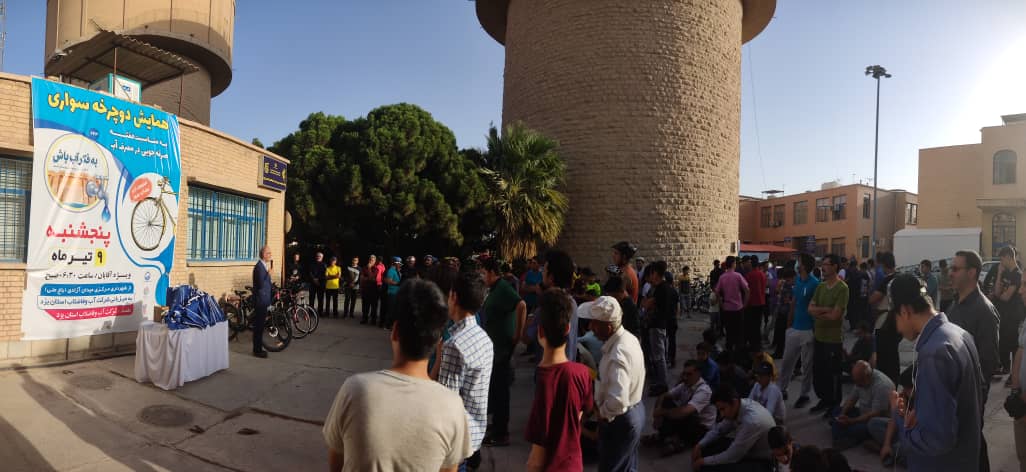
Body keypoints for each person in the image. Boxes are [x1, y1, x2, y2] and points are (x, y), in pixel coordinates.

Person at [322, 279, 471, 472]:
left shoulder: (355, 390)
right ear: (437, 341)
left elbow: (336, 463)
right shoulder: (452, 405)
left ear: (395, 332)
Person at [890, 273, 985, 471]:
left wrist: (899, 418)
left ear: (905, 311)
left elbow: (935, 440)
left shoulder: (934, 353)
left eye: (895, 318)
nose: (897, 329)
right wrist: (924, 413)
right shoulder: (959, 333)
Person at [525, 289, 594, 471]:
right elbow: (582, 412)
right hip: (574, 464)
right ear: (568, 328)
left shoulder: (544, 380)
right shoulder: (582, 373)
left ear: (540, 332)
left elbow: (537, 458)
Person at [434, 271, 493, 471]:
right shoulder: (484, 338)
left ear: (454, 297)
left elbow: (445, 402)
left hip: (454, 443)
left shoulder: (455, 345)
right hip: (473, 434)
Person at [578, 296, 646, 472]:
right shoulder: (628, 339)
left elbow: (618, 401)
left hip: (621, 420)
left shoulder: (618, 354)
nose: (590, 327)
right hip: (634, 410)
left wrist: (603, 414)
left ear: (608, 327)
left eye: (594, 323)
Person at [477, 257, 526, 447]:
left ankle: (501, 432)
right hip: (495, 347)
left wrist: (518, 334)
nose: (482, 276)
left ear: (491, 272)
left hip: (503, 348)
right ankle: (497, 423)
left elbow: (521, 305)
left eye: (483, 273)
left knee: (501, 390)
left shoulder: (503, 287)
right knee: (496, 388)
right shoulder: (494, 289)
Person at [692, 386, 775, 471]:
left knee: (712, 467)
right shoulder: (738, 406)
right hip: (748, 448)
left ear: (734, 402)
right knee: (707, 447)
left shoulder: (751, 421)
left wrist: (703, 462)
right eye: (719, 410)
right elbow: (719, 430)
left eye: (723, 409)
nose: (722, 415)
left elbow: (732, 456)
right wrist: (699, 445)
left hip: (762, 460)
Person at [645, 359, 716, 456]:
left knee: (685, 413)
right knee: (667, 403)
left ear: (698, 374)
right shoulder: (685, 385)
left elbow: (684, 412)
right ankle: (664, 436)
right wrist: (657, 414)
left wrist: (661, 412)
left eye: (689, 374)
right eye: (684, 374)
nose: (685, 377)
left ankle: (680, 442)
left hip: (701, 428)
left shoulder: (704, 391)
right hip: (688, 421)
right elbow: (663, 396)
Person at [808, 254, 848, 416]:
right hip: (819, 336)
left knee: (833, 374)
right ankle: (824, 399)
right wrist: (826, 310)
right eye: (822, 264)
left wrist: (818, 312)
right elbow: (810, 309)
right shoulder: (820, 287)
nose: (822, 267)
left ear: (835, 267)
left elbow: (836, 316)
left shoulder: (842, 288)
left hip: (833, 339)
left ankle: (834, 405)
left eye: (826, 264)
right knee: (819, 372)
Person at [778, 253, 819, 409]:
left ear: (804, 265)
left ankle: (804, 394)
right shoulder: (798, 281)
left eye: (799, 262)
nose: (796, 264)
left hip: (808, 329)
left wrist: (815, 330)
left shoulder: (815, 283)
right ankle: (782, 389)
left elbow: (816, 306)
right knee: (787, 361)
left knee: (807, 365)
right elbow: (794, 304)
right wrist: (789, 326)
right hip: (794, 328)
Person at [829, 360, 894, 450]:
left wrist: (852, 421)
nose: (856, 384)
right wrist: (842, 414)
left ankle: (841, 434)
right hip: (862, 412)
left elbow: (874, 414)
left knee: (866, 427)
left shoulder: (882, 386)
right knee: (837, 410)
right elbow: (852, 399)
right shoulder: (860, 379)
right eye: (855, 381)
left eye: (858, 381)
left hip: (875, 419)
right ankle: (843, 434)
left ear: (867, 377)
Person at [867, 367, 913, 469]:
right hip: (902, 431)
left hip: (913, 437)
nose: (904, 390)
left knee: (902, 449)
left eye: (906, 388)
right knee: (873, 423)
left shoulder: (924, 402)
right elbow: (893, 421)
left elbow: (911, 430)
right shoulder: (906, 395)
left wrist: (895, 409)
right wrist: (886, 444)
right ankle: (888, 449)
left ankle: (887, 451)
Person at [642, 261, 676, 396]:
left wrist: (647, 303)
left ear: (655, 273)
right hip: (659, 325)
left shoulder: (661, 288)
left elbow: (646, 304)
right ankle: (660, 381)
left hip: (657, 325)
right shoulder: (664, 287)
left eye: (651, 273)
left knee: (659, 356)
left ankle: (663, 384)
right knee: (658, 355)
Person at [868, 252, 902, 384]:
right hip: (897, 321)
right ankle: (894, 383)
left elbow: (873, 299)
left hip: (884, 322)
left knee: (883, 358)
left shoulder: (887, 280)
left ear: (883, 264)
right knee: (893, 355)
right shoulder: (899, 277)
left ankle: (885, 385)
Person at [993, 246, 1024, 380]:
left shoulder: (1017, 275)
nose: (1001, 262)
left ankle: (1014, 375)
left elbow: (1006, 297)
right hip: (1004, 315)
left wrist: (1000, 294)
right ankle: (1005, 369)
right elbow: (997, 292)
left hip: (1014, 316)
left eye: (1002, 259)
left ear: (1008, 257)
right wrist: (999, 274)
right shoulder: (1005, 273)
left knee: (1014, 346)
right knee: (1003, 343)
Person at [544, 249, 579, 362]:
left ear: (551, 277)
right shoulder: (572, 302)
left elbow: (526, 337)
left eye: (544, 270)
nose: (542, 273)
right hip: (569, 363)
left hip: (552, 367)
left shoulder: (549, 304)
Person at [715, 256, 750, 353]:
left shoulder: (722, 277)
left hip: (727, 308)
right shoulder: (738, 276)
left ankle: (729, 350)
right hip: (738, 308)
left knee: (729, 331)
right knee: (739, 331)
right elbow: (747, 290)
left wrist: (721, 304)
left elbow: (717, 292)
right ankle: (738, 352)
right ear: (733, 264)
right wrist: (745, 303)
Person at [251, 245, 274, 358]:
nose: (270, 255)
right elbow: (260, 284)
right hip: (260, 301)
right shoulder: (259, 267)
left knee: (260, 326)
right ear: (264, 254)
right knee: (258, 326)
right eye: (269, 253)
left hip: (264, 300)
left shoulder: (264, 266)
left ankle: (259, 347)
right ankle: (257, 350)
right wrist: (268, 274)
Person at [743, 256, 768, 352]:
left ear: (751, 264)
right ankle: (758, 344)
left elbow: (747, 291)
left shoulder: (749, 275)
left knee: (750, 325)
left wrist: (745, 304)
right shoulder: (762, 274)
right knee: (758, 324)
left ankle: (753, 344)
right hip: (761, 302)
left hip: (752, 303)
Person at [360, 255, 383, 325]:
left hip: (374, 290)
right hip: (365, 289)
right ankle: (364, 319)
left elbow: (372, 277)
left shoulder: (376, 269)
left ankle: (373, 320)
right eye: (370, 259)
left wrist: (369, 269)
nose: (370, 261)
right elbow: (361, 278)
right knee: (365, 305)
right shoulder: (364, 268)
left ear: (375, 261)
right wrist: (367, 278)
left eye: (372, 260)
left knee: (374, 306)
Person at [381, 257, 403, 329]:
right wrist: (398, 283)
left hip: (397, 293)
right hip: (392, 293)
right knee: (391, 309)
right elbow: (388, 281)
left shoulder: (397, 271)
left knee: (395, 310)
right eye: (399, 263)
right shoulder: (391, 270)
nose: (400, 265)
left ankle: (392, 325)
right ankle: (387, 325)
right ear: (395, 263)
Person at [310, 252, 327, 316]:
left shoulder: (324, 265)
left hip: (321, 283)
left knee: (320, 299)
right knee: (311, 298)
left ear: (322, 257)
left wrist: (318, 279)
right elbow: (310, 272)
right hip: (312, 283)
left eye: (320, 256)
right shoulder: (312, 264)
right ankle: (311, 312)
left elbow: (325, 274)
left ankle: (320, 312)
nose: (318, 257)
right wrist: (314, 279)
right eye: (317, 256)